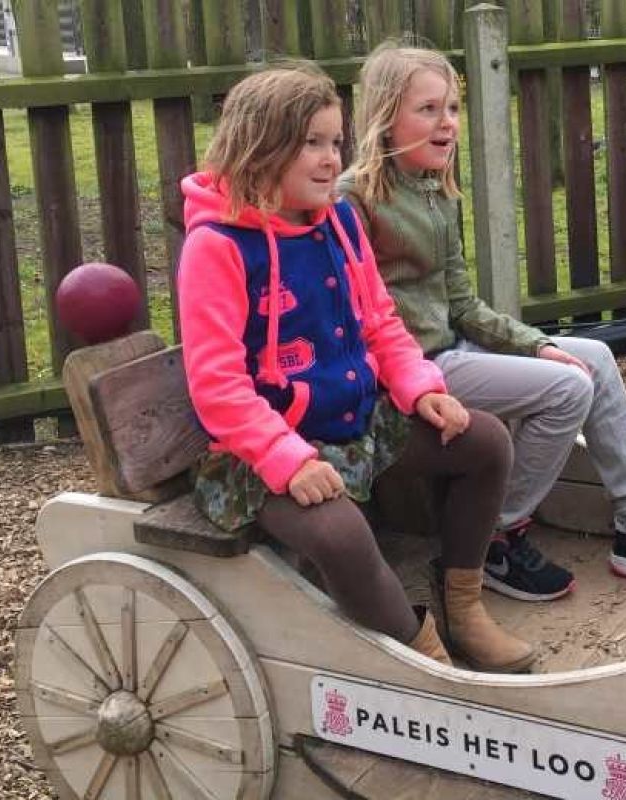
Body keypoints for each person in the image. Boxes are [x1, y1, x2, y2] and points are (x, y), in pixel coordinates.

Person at [339, 42, 626, 603]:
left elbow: (463, 305)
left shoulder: (436, 192)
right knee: (566, 389)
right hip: (408, 378)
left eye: (452, 108)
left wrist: (537, 344)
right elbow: (353, 319)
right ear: (384, 116)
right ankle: (494, 536)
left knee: (591, 357)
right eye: (427, 110)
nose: (446, 122)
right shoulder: (352, 201)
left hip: (450, 353)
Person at [176, 64, 534, 673]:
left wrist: (421, 388)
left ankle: (464, 606)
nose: (327, 158)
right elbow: (218, 384)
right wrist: (287, 459)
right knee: (341, 536)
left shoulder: (339, 221)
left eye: (334, 142)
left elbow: (380, 324)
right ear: (260, 148)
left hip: (357, 424)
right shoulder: (217, 247)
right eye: (310, 143)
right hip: (261, 455)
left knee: (485, 442)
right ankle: (424, 660)